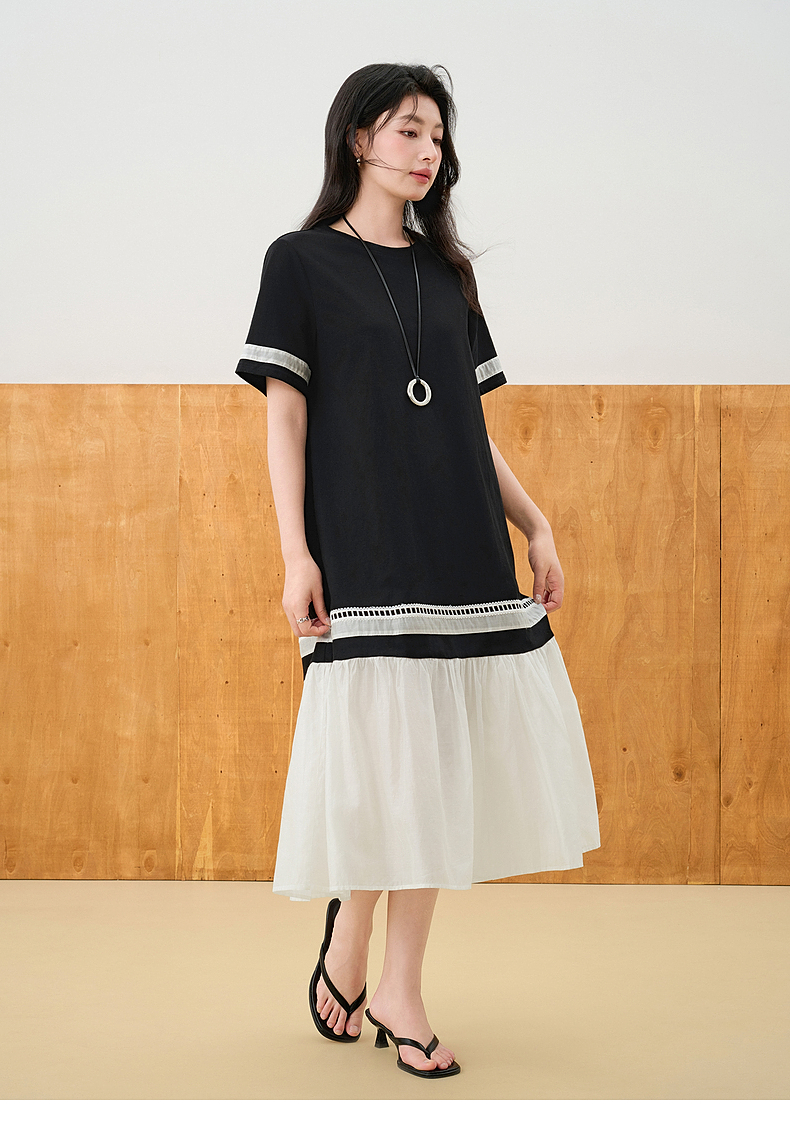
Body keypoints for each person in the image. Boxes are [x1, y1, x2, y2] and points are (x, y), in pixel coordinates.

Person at [235, 63, 601, 1079]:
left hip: (457, 542)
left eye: (436, 134)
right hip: (362, 542)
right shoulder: (299, 261)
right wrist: (295, 552)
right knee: (383, 763)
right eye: (407, 129)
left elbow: (467, 429)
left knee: (431, 766)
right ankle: (353, 938)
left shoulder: (446, 275)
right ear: (358, 139)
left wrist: (537, 523)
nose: (427, 149)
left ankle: (394, 982)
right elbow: (285, 417)